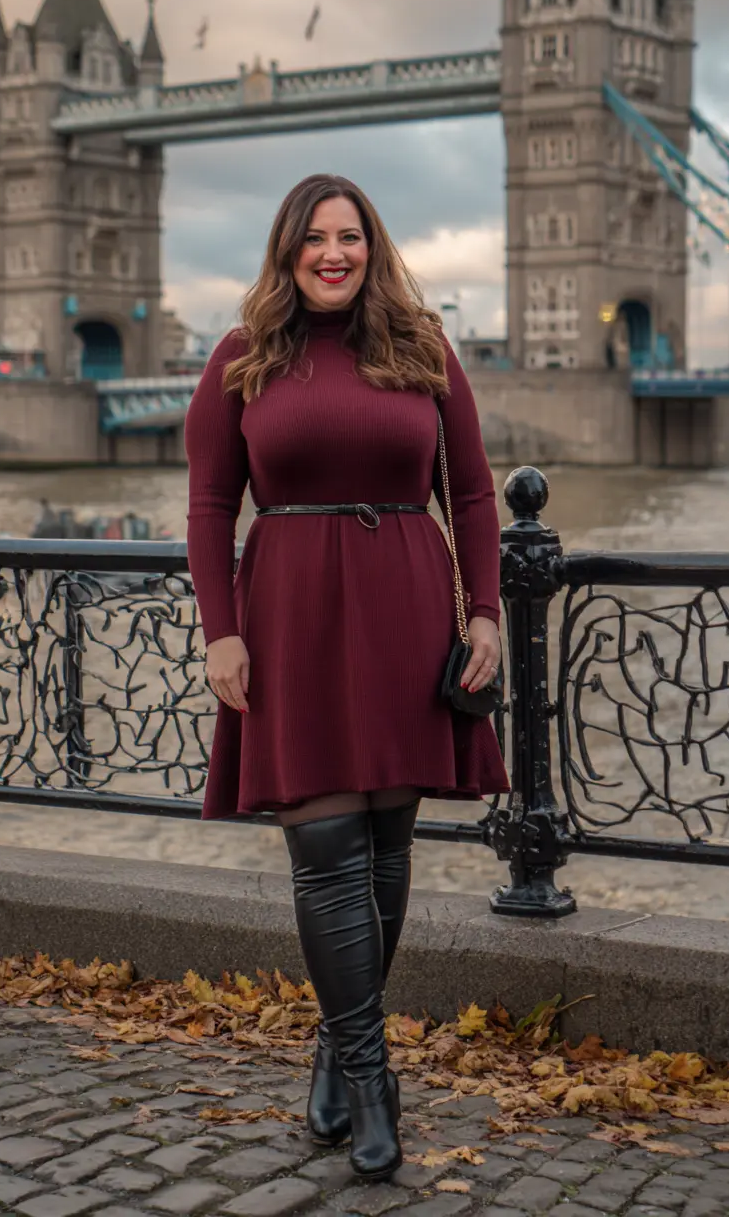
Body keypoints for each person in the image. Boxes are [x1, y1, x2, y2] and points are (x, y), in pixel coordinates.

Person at [184, 173, 508, 1181]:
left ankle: (336, 1041)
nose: (334, 254)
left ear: (372, 247)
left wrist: (487, 611)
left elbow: (470, 491)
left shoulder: (420, 346)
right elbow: (206, 506)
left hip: (406, 605)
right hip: (288, 615)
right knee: (323, 845)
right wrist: (219, 633)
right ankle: (371, 1079)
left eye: (350, 237)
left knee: (382, 850)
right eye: (314, 239)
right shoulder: (241, 358)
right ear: (286, 253)